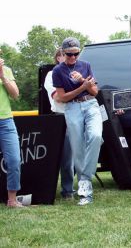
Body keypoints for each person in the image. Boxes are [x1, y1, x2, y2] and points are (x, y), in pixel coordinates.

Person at [52, 37, 103, 206]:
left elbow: (95, 91)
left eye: (76, 54)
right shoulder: (58, 71)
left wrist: (82, 81)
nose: (73, 57)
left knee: (96, 136)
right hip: (72, 108)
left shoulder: (85, 65)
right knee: (77, 149)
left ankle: (86, 179)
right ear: (63, 52)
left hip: (90, 104)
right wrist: (81, 87)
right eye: (69, 54)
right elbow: (62, 97)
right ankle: (85, 192)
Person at [44, 48, 74, 200]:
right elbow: (58, 97)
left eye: (70, 55)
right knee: (67, 157)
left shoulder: (78, 72)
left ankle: (81, 186)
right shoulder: (51, 75)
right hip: (62, 116)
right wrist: (78, 91)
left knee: (94, 144)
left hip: (79, 114)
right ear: (57, 58)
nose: (67, 57)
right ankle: (67, 190)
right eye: (63, 55)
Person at [0, 51, 24, 208]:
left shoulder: (6, 70)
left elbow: (15, 94)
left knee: (14, 161)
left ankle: (12, 201)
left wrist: (2, 75)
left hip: (6, 122)